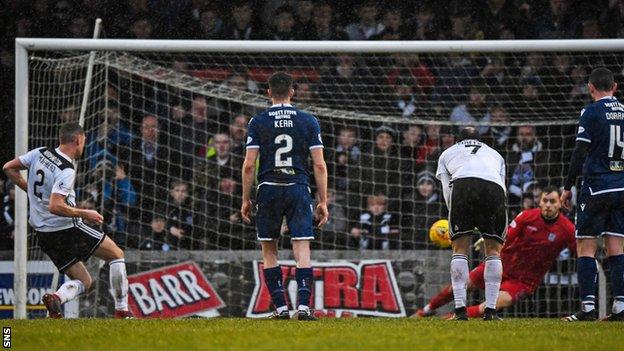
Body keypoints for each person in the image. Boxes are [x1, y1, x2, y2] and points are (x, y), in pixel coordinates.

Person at [2, 123, 132, 319]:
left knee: (85, 282)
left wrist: (31, 191)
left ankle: (57, 298)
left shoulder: (40, 153)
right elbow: (55, 206)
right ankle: (123, 311)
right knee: (116, 254)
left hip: (44, 235)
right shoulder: (66, 169)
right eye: (84, 142)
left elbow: (8, 168)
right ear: (78, 140)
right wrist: (85, 213)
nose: (83, 146)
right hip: (66, 229)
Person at [240, 72, 328, 320]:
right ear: (292, 91)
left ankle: (280, 309)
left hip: (268, 187)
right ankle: (302, 307)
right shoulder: (308, 121)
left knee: (270, 248)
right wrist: (323, 201)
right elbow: (319, 165)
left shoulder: (258, 121)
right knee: (302, 247)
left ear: (268, 92)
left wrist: (245, 199)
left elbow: (249, 165)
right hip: (297, 187)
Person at [414, 186, 575, 318]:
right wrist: (488, 240)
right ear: (540, 202)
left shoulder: (567, 229)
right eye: (545, 200)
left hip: (523, 282)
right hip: (500, 266)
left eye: (552, 201)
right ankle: (425, 311)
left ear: (560, 204)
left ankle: (446, 319)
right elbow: (505, 238)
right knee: (459, 287)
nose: (548, 205)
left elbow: (579, 251)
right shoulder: (527, 217)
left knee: (490, 306)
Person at [561, 67, 624, 321]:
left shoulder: (591, 111)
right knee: (616, 247)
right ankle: (620, 307)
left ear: (590, 88)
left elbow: (580, 151)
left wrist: (568, 186)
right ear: (615, 87)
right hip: (622, 187)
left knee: (585, 246)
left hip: (597, 185)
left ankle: (587, 309)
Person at [436, 127, 507, 321]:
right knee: (493, 251)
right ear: (481, 141)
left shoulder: (447, 153)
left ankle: (460, 311)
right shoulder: (496, 155)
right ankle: (491, 311)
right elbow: (503, 188)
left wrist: (457, 216)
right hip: (494, 189)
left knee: (460, 249)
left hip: (463, 185)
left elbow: (446, 190)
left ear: (458, 141)